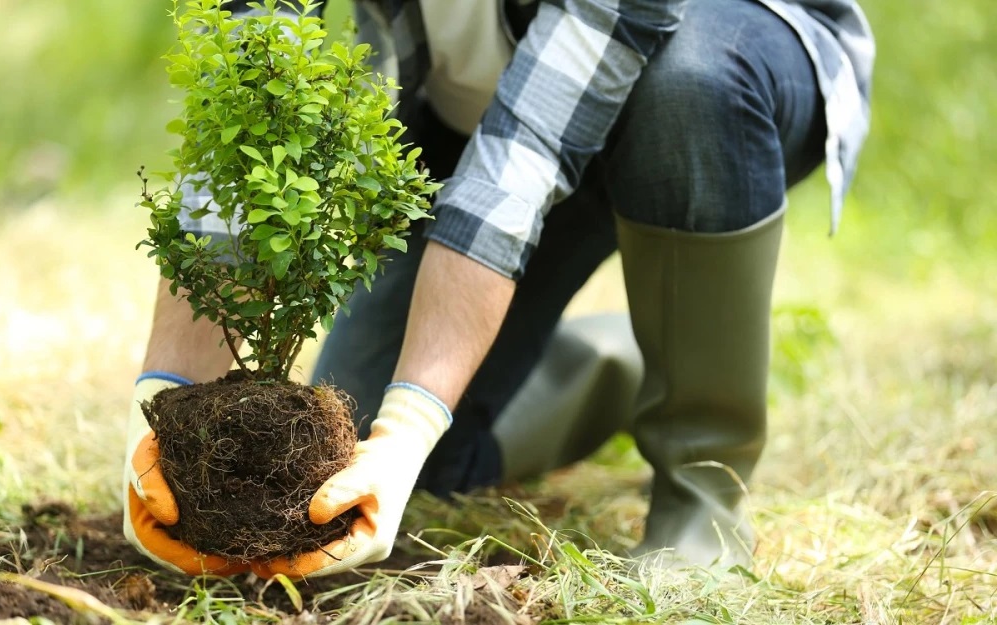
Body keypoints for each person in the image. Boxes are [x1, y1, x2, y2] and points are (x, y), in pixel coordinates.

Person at [123, 0, 875, 577]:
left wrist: (412, 419)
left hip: (715, 65)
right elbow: (252, 94)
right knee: (376, 457)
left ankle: (701, 489)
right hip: (478, 110)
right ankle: (632, 357)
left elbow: (525, 153)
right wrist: (161, 401)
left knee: (688, 87)